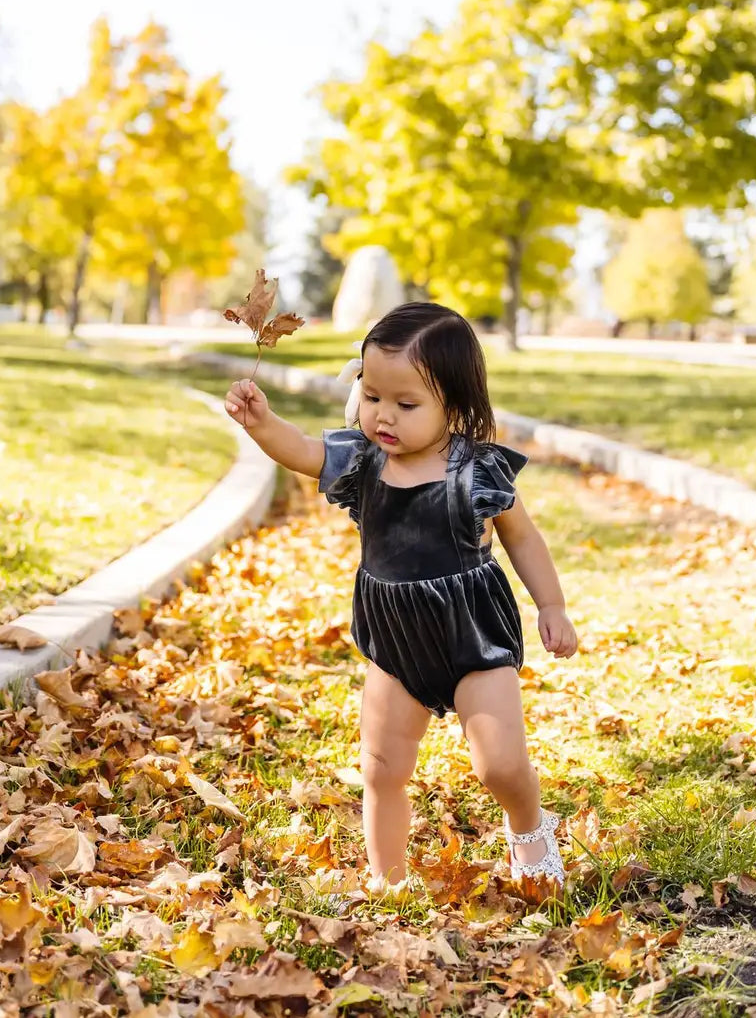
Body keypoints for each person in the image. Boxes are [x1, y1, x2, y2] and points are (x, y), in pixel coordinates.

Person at [224, 301, 577, 896]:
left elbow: (524, 539)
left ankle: (529, 827)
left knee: (500, 765)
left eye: (406, 404)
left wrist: (552, 606)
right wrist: (262, 425)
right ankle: (388, 879)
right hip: (395, 641)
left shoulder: (476, 471)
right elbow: (301, 449)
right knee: (381, 766)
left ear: (455, 405)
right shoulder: (363, 462)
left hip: (472, 635)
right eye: (372, 396)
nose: (383, 416)